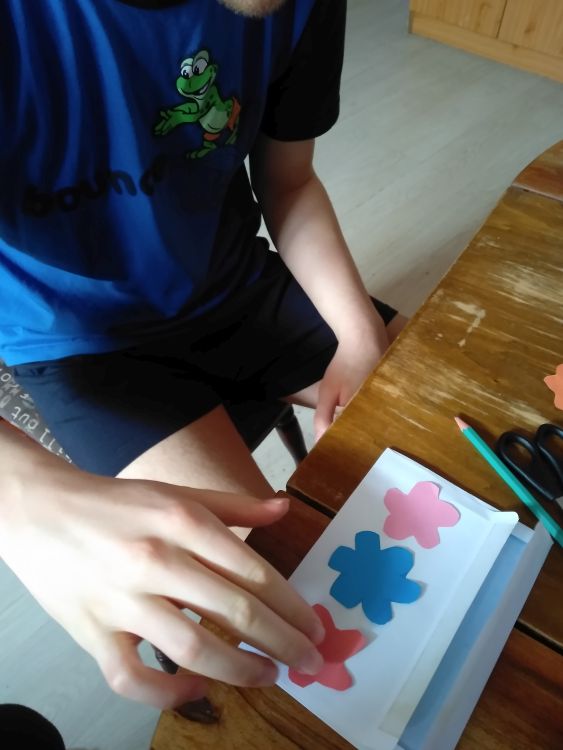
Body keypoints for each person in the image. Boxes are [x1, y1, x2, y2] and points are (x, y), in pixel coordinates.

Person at [0, 0, 404, 710]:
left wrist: (359, 334)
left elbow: (289, 181)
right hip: (80, 348)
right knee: (289, 625)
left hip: (235, 284)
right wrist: (18, 492)